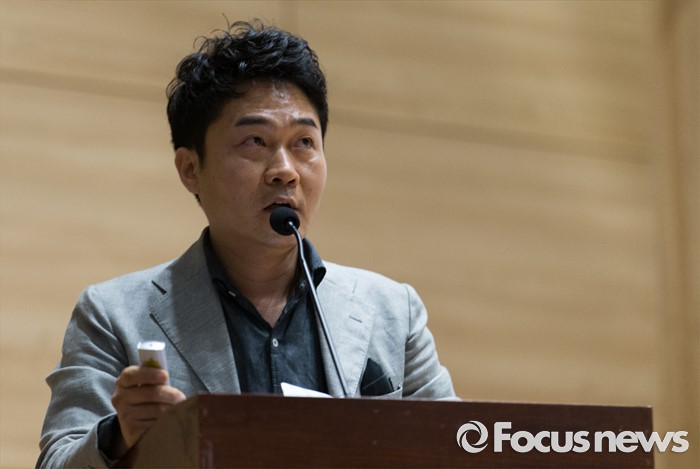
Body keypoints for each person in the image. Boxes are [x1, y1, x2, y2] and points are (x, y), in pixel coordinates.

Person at [36, 20, 455, 468]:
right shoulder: (114, 314)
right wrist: (119, 436)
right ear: (190, 169)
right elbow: (58, 460)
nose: (285, 170)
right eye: (255, 141)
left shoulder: (393, 311)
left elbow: (460, 448)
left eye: (304, 142)